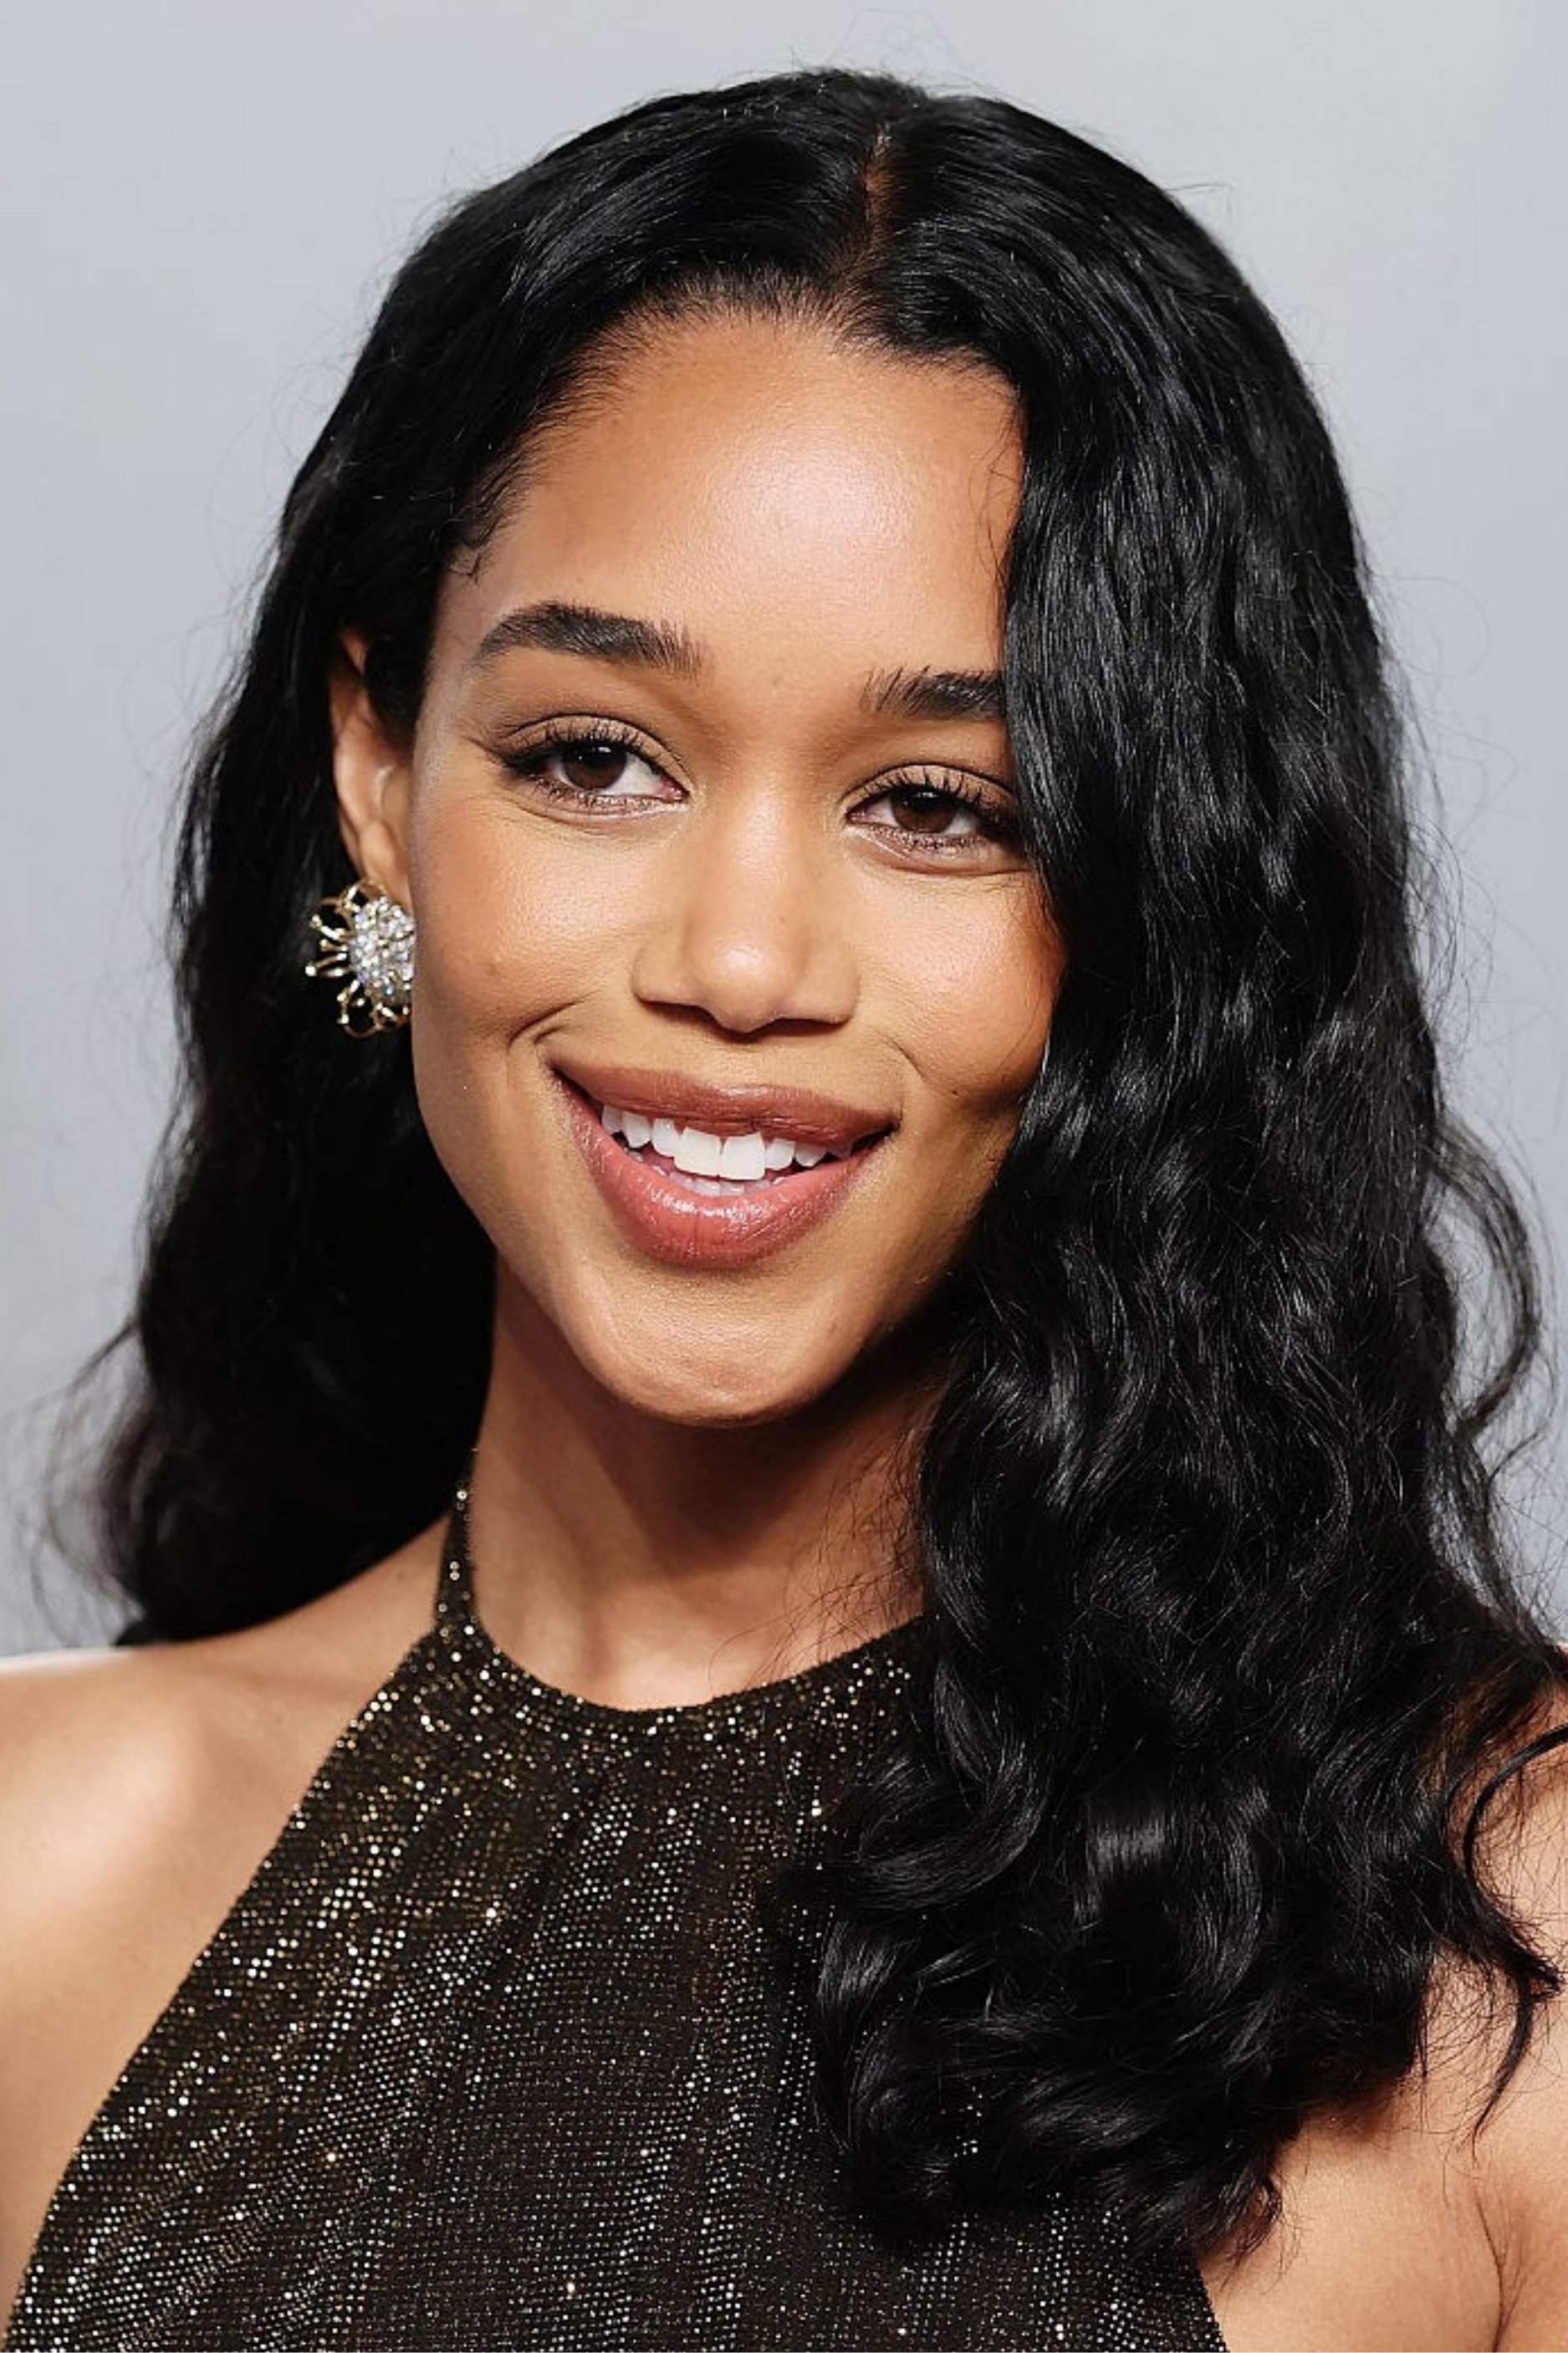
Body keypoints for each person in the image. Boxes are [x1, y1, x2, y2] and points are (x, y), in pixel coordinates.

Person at [1, 60, 1564, 2352]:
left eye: (942, 806)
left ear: (1164, 897)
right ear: (379, 770)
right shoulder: (33, 1873)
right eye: (593, 758)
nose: (739, 966)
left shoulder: (1501, 1948)